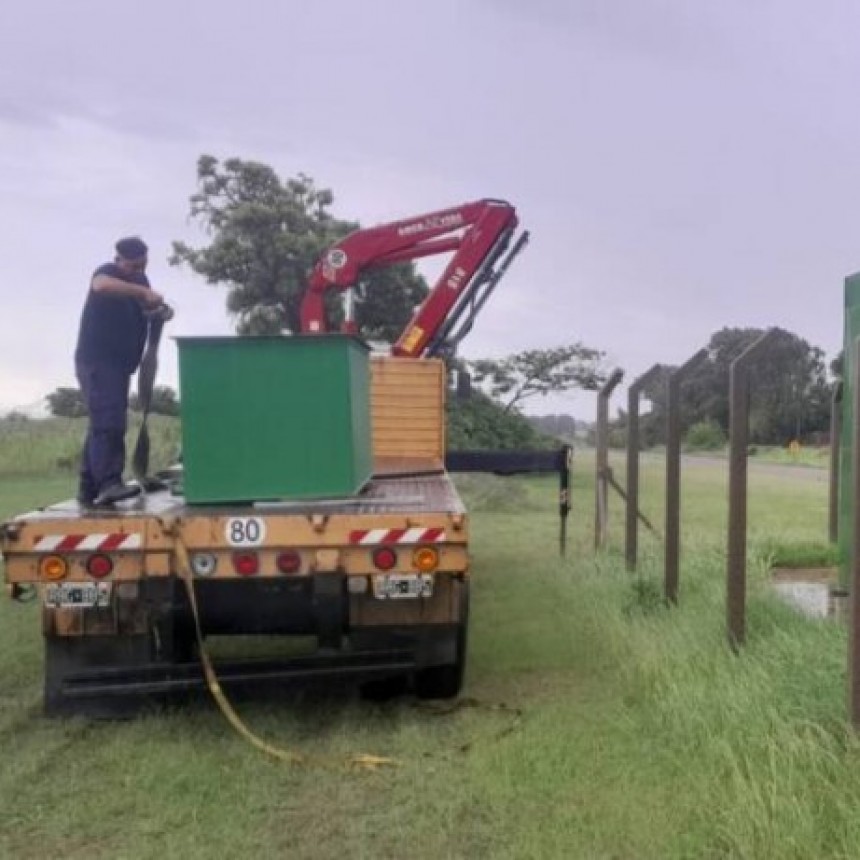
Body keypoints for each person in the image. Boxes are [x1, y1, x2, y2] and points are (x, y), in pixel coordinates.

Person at [74, 236, 167, 507]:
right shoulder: (108, 273)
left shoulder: (139, 281)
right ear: (119, 259)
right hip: (97, 361)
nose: (139, 271)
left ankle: (88, 487)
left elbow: (146, 306)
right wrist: (141, 293)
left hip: (119, 365)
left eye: (143, 266)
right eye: (134, 266)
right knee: (109, 422)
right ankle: (109, 484)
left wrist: (157, 308)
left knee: (102, 424)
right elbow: (100, 286)